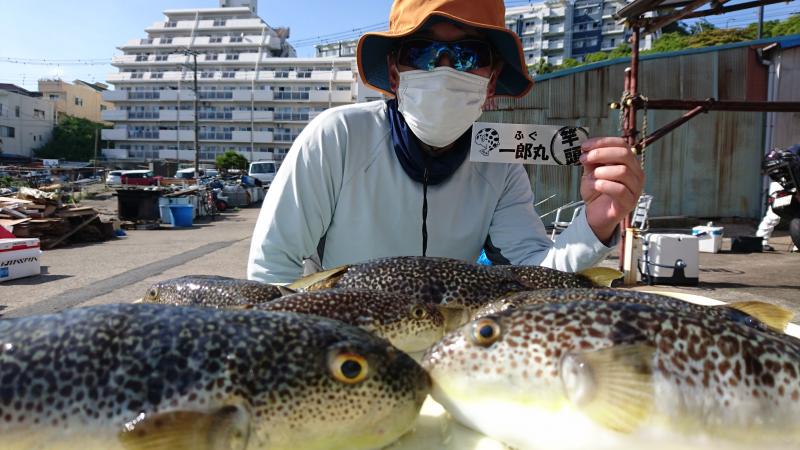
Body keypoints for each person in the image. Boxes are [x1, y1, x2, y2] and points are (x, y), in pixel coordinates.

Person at [248, 0, 644, 284]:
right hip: (345, 354)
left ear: (491, 79)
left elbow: (536, 278)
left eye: (469, 55)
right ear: (394, 70)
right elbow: (271, 268)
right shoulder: (338, 137)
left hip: (450, 360)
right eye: (420, 52)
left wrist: (596, 222)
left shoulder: (501, 164)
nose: (444, 70)